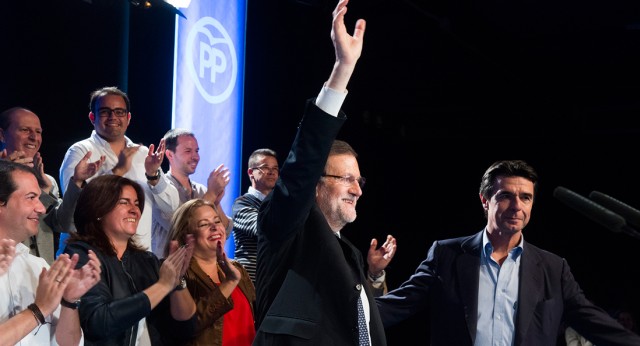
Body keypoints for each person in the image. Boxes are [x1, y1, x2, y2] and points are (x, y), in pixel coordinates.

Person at [375, 159, 640, 345]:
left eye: (526, 197)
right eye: (505, 196)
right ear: (485, 200)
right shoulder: (447, 255)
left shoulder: (553, 268)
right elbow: (395, 307)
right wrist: (338, 310)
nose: (517, 206)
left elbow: (595, 323)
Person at [254, 1, 397, 344]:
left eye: (359, 180)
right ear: (314, 186)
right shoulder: (287, 228)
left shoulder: (350, 253)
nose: (358, 189)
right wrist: (343, 70)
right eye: (346, 178)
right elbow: (302, 164)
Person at [63, 174, 198, 345]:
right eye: (124, 202)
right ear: (98, 210)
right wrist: (163, 285)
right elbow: (98, 322)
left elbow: (186, 329)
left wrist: (177, 282)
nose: (135, 210)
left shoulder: (148, 261)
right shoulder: (80, 255)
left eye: (136, 203)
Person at [0, 159, 102, 345]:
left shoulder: (38, 267)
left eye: (39, 198)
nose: (40, 208)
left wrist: (69, 302)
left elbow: (68, 343)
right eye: (31, 197)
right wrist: (39, 310)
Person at [58, 86, 167, 253]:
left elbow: (170, 209)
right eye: (105, 112)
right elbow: (75, 212)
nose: (113, 117)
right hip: (92, 256)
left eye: (119, 112)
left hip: (137, 256)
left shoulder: (144, 154)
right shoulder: (80, 152)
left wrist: (154, 176)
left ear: (128, 117)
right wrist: (118, 171)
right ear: (92, 117)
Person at [0, 106, 104, 264]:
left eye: (38, 132)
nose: (34, 137)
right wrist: (4, 177)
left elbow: (63, 224)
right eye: (25, 130)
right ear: (2, 134)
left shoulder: (46, 181)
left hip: (41, 273)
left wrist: (76, 182)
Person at [166, 198, 256, 345]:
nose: (215, 228)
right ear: (186, 236)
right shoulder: (180, 276)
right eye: (204, 224)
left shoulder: (237, 269)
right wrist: (229, 282)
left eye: (217, 221)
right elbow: (185, 328)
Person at [144, 128, 232, 257]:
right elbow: (181, 228)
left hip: (199, 270)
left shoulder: (201, 190)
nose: (195, 157)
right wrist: (211, 195)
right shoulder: (158, 188)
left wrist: (216, 202)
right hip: (168, 269)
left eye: (196, 151)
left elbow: (225, 231)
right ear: (169, 154)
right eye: (188, 151)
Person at [231, 148, 278, 283]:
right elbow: (264, 230)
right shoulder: (242, 203)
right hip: (250, 281)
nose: (272, 172)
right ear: (251, 172)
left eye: (275, 168)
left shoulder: (278, 204)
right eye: (265, 167)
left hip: (272, 279)